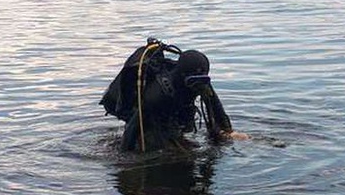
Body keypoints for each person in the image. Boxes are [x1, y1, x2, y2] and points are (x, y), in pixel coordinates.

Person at [100, 38, 245, 152]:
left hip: (172, 114)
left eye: (203, 79)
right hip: (148, 118)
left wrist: (229, 131)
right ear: (183, 76)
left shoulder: (200, 82)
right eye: (193, 81)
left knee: (182, 145)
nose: (198, 86)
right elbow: (133, 127)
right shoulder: (156, 94)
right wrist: (125, 157)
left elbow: (215, 106)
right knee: (163, 148)